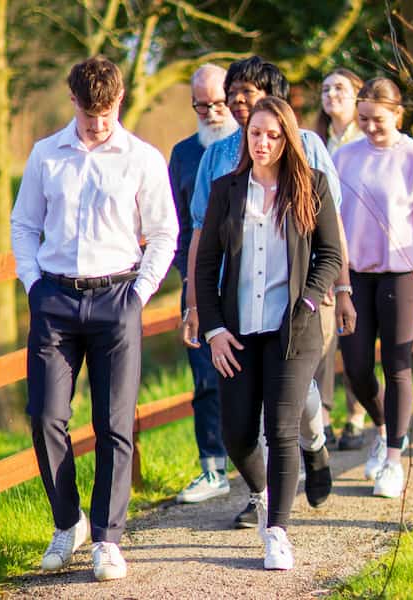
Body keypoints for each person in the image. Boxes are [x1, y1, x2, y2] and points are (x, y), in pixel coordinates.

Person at [10, 56, 178, 581]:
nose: (98, 125)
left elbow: (165, 232)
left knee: (114, 423)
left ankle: (107, 539)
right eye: (88, 116)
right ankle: (68, 522)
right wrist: (33, 284)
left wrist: (140, 293)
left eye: (105, 115)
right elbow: (23, 224)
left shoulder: (142, 159)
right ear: (74, 103)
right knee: (43, 415)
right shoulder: (45, 155)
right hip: (55, 300)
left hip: (117, 298)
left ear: (119, 101)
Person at [183, 55, 355, 528]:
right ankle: (261, 495)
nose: (238, 101)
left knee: (295, 398)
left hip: (304, 296)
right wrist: (197, 305)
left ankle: (314, 443)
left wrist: (341, 289)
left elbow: (329, 226)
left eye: (249, 93)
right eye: (232, 92)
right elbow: (201, 229)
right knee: (247, 414)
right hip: (237, 303)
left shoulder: (310, 148)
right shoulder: (217, 156)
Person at [335, 77, 413, 499]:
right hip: (354, 276)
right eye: (364, 118)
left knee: (398, 363)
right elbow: (331, 222)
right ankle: (384, 426)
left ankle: (392, 460)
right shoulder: (344, 157)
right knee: (354, 366)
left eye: (379, 120)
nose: (371, 127)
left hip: (402, 273)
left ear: (398, 115)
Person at [168, 64, 239, 503]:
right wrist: (188, 279)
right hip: (199, 281)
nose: (212, 111)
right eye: (202, 104)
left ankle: (267, 461)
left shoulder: (251, 144)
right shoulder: (183, 154)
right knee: (205, 378)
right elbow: (178, 224)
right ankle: (212, 468)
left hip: (249, 279)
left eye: (219, 102)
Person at [313, 67, 369, 451]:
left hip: (362, 253)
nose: (331, 94)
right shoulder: (313, 141)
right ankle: (325, 416)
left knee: (357, 341)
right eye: (326, 88)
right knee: (323, 340)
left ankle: (357, 414)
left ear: (357, 95)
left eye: (340, 88)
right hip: (325, 252)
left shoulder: (368, 138)